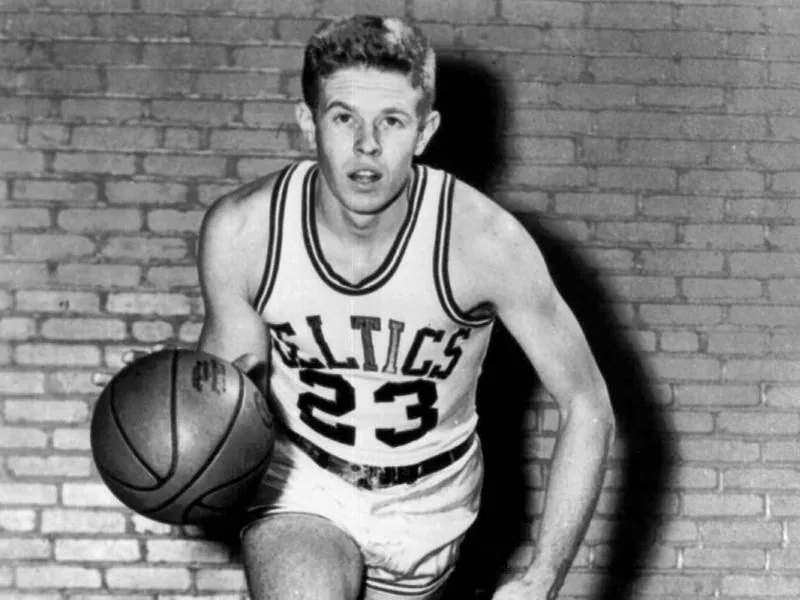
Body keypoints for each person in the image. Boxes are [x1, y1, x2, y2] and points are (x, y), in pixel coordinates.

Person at [97, 15, 615, 600]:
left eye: (391, 121)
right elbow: (232, 388)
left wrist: (543, 575)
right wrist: (162, 398)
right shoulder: (245, 231)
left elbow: (586, 402)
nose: (366, 145)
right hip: (303, 482)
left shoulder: (485, 243)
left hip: (431, 503)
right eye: (343, 117)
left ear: (424, 132)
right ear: (307, 122)